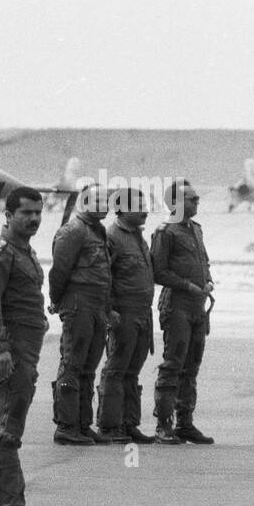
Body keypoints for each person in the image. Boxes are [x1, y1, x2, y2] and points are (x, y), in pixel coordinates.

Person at [0, 187, 49, 506]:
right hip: (12, 353)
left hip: (24, 352)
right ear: (9, 216)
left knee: (4, 425)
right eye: (26, 213)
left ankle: (5, 502)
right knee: (7, 429)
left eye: (37, 212)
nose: (33, 218)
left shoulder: (24, 251)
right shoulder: (1, 253)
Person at [48, 184, 117, 445]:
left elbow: (103, 274)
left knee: (88, 367)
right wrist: (58, 301)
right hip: (78, 304)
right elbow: (59, 272)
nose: (103, 204)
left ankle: (82, 423)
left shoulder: (97, 232)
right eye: (96, 200)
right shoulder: (73, 231)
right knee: (73, 363)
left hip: (97, 306)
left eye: (105, 200)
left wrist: (108, 308)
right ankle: (66, 426)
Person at [151, 179, 215, 444]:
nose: (196, 201)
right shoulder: (166, 232)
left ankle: (185, 422)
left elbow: (203, 260)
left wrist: (208, 280)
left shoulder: (195, 230)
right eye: (191, 198)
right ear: (175, 203)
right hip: (177, 304)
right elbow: (158, 271)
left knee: (192, 366)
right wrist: (187, 285)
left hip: (197, 306)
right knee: (173, 365)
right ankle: (164, 424)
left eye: (196, 198)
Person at [96, 188, 156, 443]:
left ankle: (129, 423)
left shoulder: (138, 237)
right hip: (124, 314)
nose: (144, 211)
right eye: (138, 206)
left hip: (143, 313)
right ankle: (109, 426)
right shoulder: (112, 237)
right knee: (116, 369)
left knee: (133, 369)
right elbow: (104, 276)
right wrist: (109, 310)